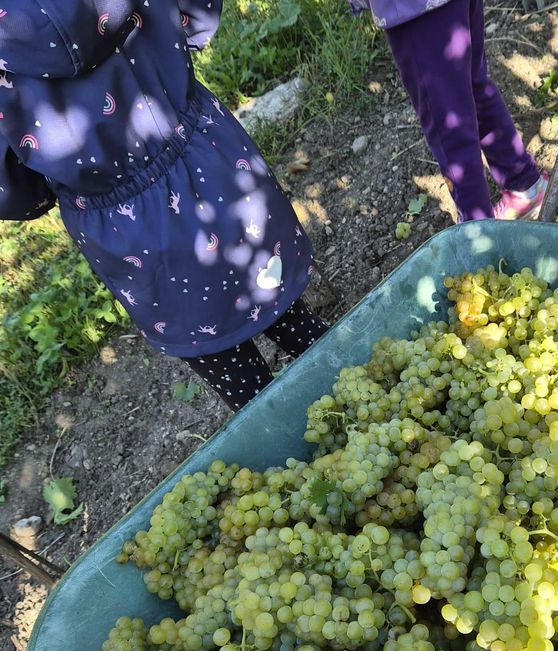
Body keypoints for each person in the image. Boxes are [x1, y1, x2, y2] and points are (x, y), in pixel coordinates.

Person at [0, 0, 328, 412]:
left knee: (233, 373)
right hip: (213, 164)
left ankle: (284, 438)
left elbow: (11, 185)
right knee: (278, 302)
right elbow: (197, 13)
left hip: (127, 233)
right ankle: (351, 390)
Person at [350, 0, 549, 222]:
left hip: (414, 8)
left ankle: (480, 234)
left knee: (447, 122)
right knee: (474, 87)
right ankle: (525, 187)